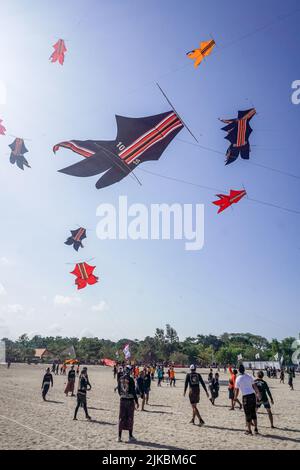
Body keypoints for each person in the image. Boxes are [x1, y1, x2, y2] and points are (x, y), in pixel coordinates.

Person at [234, 364, 261, 435]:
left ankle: (249, 430)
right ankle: (256, 429)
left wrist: (235, 397)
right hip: (252, 395)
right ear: (244, 369)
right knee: (253, 413)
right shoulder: (249, 376)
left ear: (238, 370)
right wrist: (258, 394)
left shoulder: (238, 378)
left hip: (245, 397)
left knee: (247, 414)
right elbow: (254, 386)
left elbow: (237, 390)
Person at [117, 366, 139, 442]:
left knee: (121, 418)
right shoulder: (131, 379)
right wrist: (136, 401)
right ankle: (130, 436)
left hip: (122, 400)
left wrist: (123, 395)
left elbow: (119, 391)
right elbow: (133, 391)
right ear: (130, 371)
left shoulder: (120, 379)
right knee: (130, 418)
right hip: (129, 401)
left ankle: (119, 437)